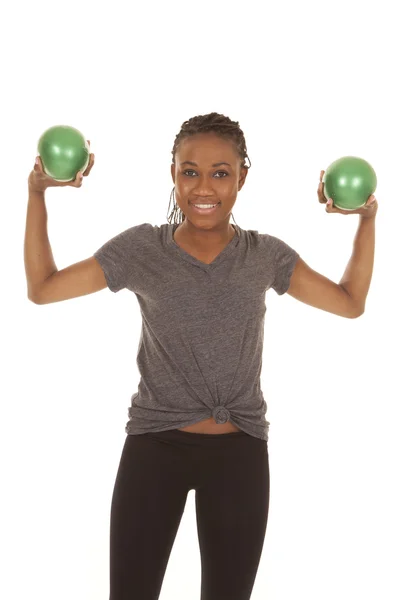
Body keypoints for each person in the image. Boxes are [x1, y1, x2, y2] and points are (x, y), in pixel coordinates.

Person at [24, 112, 378, 600]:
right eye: (190, 171)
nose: (203, 186)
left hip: (240, 454)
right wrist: (36, 194)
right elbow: (43, 289)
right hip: (154, 448)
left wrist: (367, 219)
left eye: (220, 172)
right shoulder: (141, 249)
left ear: (242, 178)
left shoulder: (264, 255)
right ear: (173, 173)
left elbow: (349, 302)